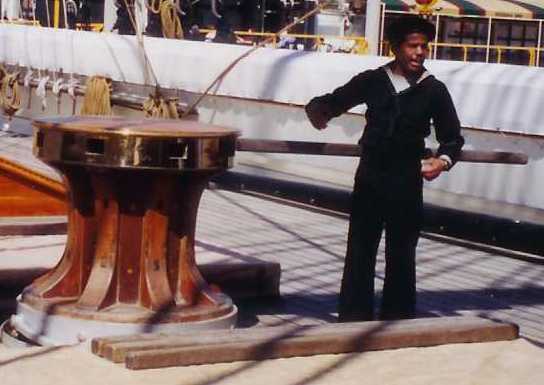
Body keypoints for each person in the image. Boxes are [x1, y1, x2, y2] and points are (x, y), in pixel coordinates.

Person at [305, 15, 464, 322]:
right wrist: (318, 112)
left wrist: (442, 162)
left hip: (407, 177)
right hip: (371, 174)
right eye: (412, 46)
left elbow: (452, 137)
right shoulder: (373, 81)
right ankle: (353, 318)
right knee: (360, 249)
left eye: (423, 46)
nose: (419, 52)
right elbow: (335, 101)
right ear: (396, 48)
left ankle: (398, 318)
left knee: (402, 252)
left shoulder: (434, 90)